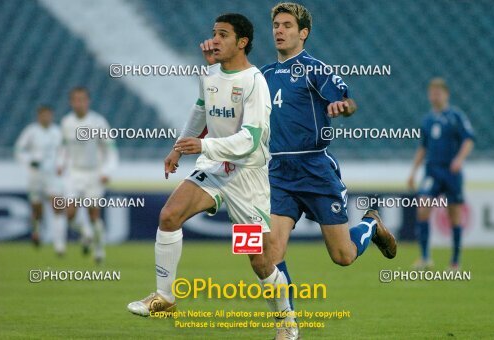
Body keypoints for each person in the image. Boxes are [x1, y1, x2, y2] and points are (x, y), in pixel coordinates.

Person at [201, 4, 397, 338]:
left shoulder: (314, 70)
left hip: (315, 170)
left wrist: (341, 106)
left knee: (343, 256)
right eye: (276, 25)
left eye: (287, 25)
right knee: (269, 254)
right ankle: (288, 327)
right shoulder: (260, 75)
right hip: (275, 173)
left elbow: (348, 102)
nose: (279, 30)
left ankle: (370, 225)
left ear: (302, 33)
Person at [127, 14, 293, 325]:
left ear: (241, 42)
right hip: (215, 171)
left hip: (247, 180)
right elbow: (201, 110)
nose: (214, 40)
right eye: (214, 33)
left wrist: (203, 147)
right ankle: (165, 296)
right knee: (169, 215)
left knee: (260, 262)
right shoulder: (211, 75)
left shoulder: (255, 82)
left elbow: (250, 139)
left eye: (223, 35)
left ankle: (286, 320)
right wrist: (178, 149)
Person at [408, 77, 474, 270]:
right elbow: (423, 147)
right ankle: (425, 257)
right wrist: (413, 171)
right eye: (432, 92)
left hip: (451, 172)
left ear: (446, 94)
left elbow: (468, 140)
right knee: (422, 208)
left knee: (454, 213)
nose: (435, 96)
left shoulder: (456, 116)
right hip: (432, 171)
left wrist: (459, 159)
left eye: (438, 92)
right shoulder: (428, 120)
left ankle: (455, 261)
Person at [59, 87, 118, 263]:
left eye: (82, 99)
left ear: (88, 101)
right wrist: (60, 164)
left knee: (94, 215)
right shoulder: (66, 122)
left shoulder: (98, 122)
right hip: (74, 173)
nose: (79, 103)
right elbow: (63, 148)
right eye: (76, 100)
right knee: (69, 214)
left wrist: (107, 171)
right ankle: (85, 233)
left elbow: (111, 150)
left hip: (94, 174)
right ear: (71, 102)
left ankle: (99, 250)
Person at [15, 105, 66, 255]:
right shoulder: (31, 131)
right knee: (37, 209)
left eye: (48, 115)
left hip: (52, 176)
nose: (46, 118)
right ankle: (36, 230)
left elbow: (64, 151)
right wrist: (29, 161)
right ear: (38, 116)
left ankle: (59, 244)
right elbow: (19, 149)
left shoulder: (57, 132)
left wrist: (61, 165)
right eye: (43, 115)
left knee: (57, 206)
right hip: (35, 175)